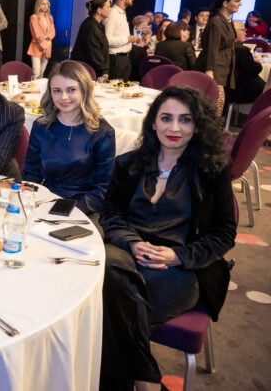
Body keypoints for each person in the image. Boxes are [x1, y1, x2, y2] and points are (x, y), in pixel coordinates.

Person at [99, 86, 235, 391]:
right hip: (125, 257)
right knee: (107, 269)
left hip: (178, 270)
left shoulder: (211, 171)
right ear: (153, 122)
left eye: (185, 119)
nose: (174, 128)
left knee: (106, 310)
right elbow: (111, 214)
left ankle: (141, 382)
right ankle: (147, 383)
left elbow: (225, 232)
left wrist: (178, 256)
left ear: (197, 125)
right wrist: (133, 242)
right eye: (166, 118)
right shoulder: (128, 164)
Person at [23, 61, 114, 215]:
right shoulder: (41, 126)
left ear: (84, 90)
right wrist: (29, 201)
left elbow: (103, 189)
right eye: (57, 91)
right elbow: (31, 173)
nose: (63, 97)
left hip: (85, 209)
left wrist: (68, 211)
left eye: (71, 90)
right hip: (45, 203)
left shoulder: (102, 132)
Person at [196, 0, 241, 96]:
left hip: (224, 67)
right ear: (225, 3)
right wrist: (209, 71)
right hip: (216, 68)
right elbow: (212, 48)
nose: (240, 4)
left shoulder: (227, 20)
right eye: (237, 1)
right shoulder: (216, 22)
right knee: (212, 99)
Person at [103, 0, 140, 80]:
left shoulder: (122, 13)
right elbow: (107, 40)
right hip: (115, 59)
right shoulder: (113, 14)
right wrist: (128, 39)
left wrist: (132, 40)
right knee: (113, 88)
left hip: (124, 58)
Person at [71, 0, 111, 79]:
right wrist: (104, 70)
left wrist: (105, 69)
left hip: (94, 68)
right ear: (99, 10)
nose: (110, 9)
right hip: (85, 70)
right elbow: (94, 51)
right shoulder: (90, 26)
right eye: (108, 7)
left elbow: (103, 49)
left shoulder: (99, 25)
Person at [232, 21, 266, 103]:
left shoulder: (226, 47)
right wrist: (257, 63)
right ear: (234, 31)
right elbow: (254, 70)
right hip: (246, 89)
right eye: (243, 30)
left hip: (233, 87)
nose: (245, 33)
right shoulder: (241, 50)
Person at [27, 0, 56, 78]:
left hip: (47, 48)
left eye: (47, 4)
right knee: (36, 73)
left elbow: (53, 33)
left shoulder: (50, 17)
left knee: (42, 73)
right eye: (43, 4)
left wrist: (46, 36)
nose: (45, 6)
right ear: (38, 5)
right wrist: (47, 37)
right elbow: (37, 35)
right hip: (37, 47)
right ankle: (33, 86)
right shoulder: (34, 17)